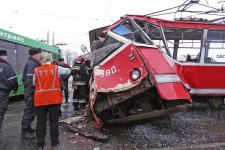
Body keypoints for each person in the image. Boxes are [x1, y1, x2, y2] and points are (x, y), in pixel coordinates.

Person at [33, 55, 71, 149]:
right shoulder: (56, 68)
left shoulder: (36, 70)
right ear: (50, 60)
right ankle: (54, 142)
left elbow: (34, 83)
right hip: (54, 99)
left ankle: (40, 144)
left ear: (41, 61)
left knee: (40, 123)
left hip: (40, 100)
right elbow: (69, 71)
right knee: (53, 122)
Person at [21, 47, 42, 139]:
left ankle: (28, 128)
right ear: (35, 55)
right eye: (39, 54)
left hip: (32, 92)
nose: (41, 55)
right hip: (31, 92)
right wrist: (30, 93)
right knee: (29, 111)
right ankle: (25, 131)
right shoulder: (31, 64)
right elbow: (29, 80)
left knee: (31, 111)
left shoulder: (34, 63)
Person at [0, 50, 18, 133]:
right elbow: (13, 81)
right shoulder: (6, 66)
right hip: (2, 94)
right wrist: (15, 89)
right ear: (5, 56)